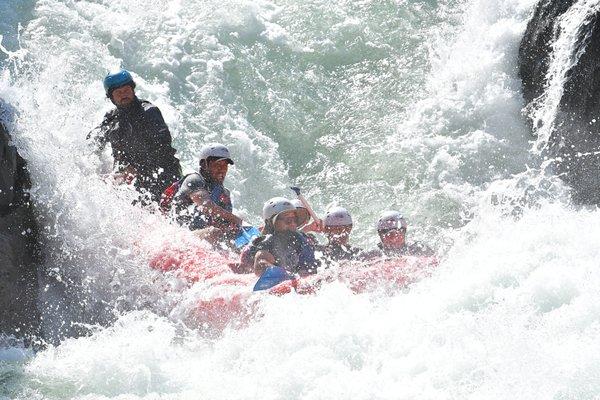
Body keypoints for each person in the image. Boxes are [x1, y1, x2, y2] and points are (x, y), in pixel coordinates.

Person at [88, 69, 181, 203]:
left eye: (126, 90)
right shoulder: (111, 118)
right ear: (111, 97)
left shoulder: (149, 112)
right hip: (130, 182)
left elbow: (163, 147)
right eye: (118, 93)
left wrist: (136, 168)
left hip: (162, 177)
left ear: (133, 89)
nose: (123, 95)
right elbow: (94, 142)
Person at [171, 143, 243, 244]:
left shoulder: (224, 193)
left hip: (202, 236)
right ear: (204, 164)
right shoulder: (194, 179)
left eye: (225, 165)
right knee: (214, 233)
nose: (222, 170)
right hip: (179, 234)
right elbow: (206, 206)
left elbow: (224, 222)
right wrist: (235, 219)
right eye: (218, 164)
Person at [242, 197, 319, 276]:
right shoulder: (266, 242)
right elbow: (261, 264)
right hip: (260, 270)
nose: (293, 223)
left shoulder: (300, 239)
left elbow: (310, 268)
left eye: (295, 219)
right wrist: (287, 276)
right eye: (288, 220)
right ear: (271, 223)